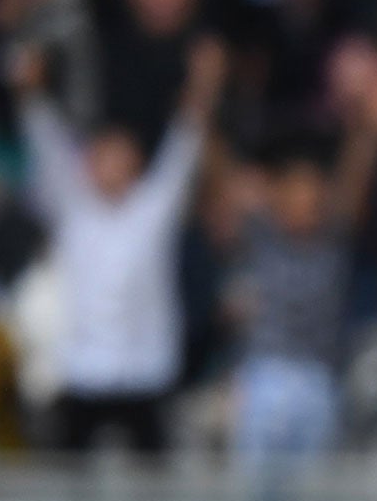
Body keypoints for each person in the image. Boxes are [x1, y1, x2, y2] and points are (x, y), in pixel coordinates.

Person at [12, 37, 223, 454]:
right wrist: (31, 90)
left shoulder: (153, 209)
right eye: (100, 154)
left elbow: (185, 144)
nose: (109, 164)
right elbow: (44, 141)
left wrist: (204, 85)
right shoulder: (72, 208)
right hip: (82, 373)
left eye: (119, 154)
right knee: (65, 482)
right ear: (88, 162)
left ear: (136, 162)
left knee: (154, 489)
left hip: (145, 372)